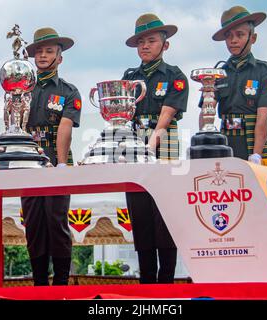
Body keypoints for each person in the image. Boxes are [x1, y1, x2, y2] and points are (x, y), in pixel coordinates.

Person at [123, 13, 189, 284]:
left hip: (166, 143)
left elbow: (167, 115)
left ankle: (167, 282)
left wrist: (151, 146)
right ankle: (146, 281)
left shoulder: (175, 75)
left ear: (165, 44)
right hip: (134, 139)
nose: (145, 46)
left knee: (165, 214)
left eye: (151, 41)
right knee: (139, 212)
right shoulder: (129, 77)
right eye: (141, 42)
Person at [21, 27, 82, 286]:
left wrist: (61, 164)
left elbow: (65, 129)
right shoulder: (22, 89)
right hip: (28, 158)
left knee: (56, 221)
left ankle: (60, 283)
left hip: (55, 155)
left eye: (49, 51)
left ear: (60, 57)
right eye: (39, 52)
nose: (43, 56)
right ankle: (38, 283)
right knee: (33, 223)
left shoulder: (69, 91)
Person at [200, 6, 267, 167]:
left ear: (253, 38)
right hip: (225, 143)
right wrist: (206, 144)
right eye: (228, 36)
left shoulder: (265, 71)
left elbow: (263, 118)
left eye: (240, 34)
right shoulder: (217, 73)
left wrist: (256, 154)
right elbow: (205, 114)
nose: (233, 40)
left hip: (252, 143)